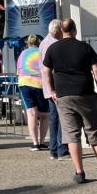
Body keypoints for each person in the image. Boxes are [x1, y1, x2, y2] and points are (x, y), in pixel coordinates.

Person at [43, 18, 97, 183]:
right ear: (74, 29)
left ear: (61, 30)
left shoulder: (53, 48)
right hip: (85, 93)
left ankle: (79, 173)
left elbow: (47, 71)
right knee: (95, 131)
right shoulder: (85, 47)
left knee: (71, 134)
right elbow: (96, 70)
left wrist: (52, 91)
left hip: (63, 96)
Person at [39, 19, 69, 160]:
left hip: (48, 86)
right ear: (57, 30)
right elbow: (51, 69)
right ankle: (61, 149)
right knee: (61, 117)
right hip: (56, 86)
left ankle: (54, 149)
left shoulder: (43, 42)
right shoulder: (55, 44)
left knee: (54, 118)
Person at [17, 35, 49, 150]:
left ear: (28, 44)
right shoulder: (42, 52)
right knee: (44, 115)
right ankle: (42, 142)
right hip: (40, 83)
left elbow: (18, 70)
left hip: (25, 83)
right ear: (38, 43)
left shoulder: (23, 54)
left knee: (31, 114)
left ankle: (34, 143)